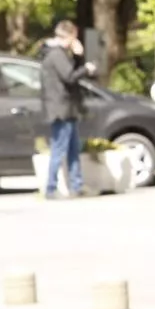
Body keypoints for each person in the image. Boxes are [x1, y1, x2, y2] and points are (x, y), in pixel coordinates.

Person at [39, 20, 96, 199]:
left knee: (73, 149)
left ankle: (76, 185)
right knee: (59, 149)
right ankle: (51, 188)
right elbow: (70, 76)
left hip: (67, 108)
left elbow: (70, 72)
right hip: (61, 108)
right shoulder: (56, 54)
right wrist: (86, 68)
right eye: (74, 37)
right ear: (69, 36)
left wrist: (78, 57)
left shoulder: (59, 53)